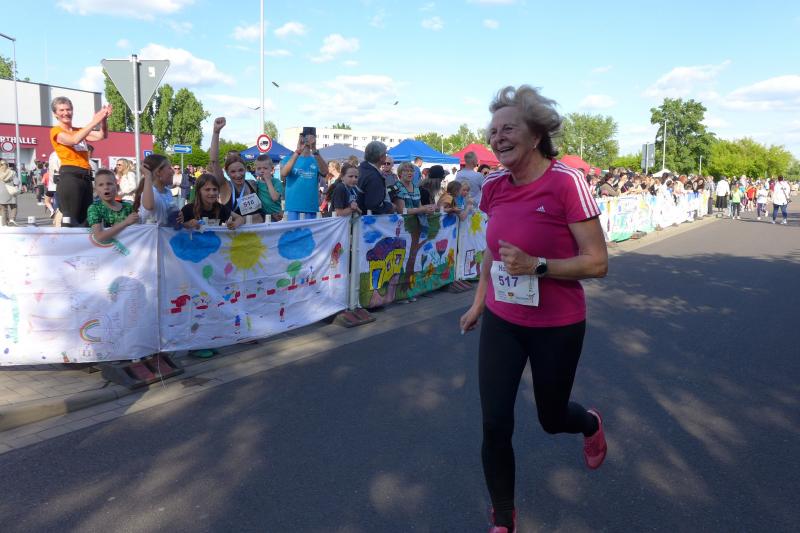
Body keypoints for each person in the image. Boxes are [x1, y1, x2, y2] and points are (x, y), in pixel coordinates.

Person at [458, 85, 608, 532]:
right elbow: (493, 249)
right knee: (494, 423)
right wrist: (479, 302)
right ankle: (504, 517)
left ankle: (589, 424)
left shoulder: (566, 182)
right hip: (503, 320)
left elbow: (597, 262)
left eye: (508, 129)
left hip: (557, 325)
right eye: (493, 131)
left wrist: (538, 266)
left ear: (537, 134)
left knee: (551, 417)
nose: (497, 138)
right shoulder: (493, 185)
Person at [49, 96, 112, 226]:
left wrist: (103, 120)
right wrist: (94, 122)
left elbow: (102, 135)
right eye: (61, 110)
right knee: (71, 219)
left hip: (86, 177)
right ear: (55, 114)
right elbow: (73, 140)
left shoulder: (79, 131)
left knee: (86, 220)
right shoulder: (56, 131)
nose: (66, 113)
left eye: (68, 109)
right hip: (70, 176)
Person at [209, 117, 266, 224]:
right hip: (234, 234)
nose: (238, 175)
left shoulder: (252, 184)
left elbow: (263, 210)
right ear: (227, 173)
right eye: (233, 172)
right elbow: (214, 162)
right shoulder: (225, 187)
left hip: (256, 233)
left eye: (241, 170)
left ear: (245, 169)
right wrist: (216, 132)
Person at [280, 126, 328, 220]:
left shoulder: (316, 159)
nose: (308, 141)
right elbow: (284, 174)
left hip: (311, 208)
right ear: (300, 138)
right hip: (293, 208)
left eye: (311, 138)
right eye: (305, 138)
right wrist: (298, 151)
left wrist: (314, 149)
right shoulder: (289, 159)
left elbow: (325, 172)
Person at [86, 169, 139, 242]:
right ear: (96, 190)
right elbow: (99, 237)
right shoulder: (95, 208)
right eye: (101, 185)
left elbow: (137, 232)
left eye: (109, 184)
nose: (106, 187)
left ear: (117, 187)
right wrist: (125, 222)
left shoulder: (128, 207)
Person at [139, 154, 183, 227]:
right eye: (169, 168)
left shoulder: (168, 191)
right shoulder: (151, 192)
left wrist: (178, 217)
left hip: (165, 234)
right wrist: (147, 175)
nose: (173, 172)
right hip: (151, 234)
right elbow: (149, 206)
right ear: (158, 172)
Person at [357, 141, 395, 214]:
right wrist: (390, 206)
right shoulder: (373, 176)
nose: (386, 156)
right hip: (366, 217)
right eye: (385, 154)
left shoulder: (361, 168)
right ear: (381, 157)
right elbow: (374, 204)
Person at [254, 154, 284, 221]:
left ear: (272, 169)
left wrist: (268, 180)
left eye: (265, 168)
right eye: (259, 168)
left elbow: (275, 198)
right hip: (263, 216)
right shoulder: (256, 183)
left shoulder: (276, 182)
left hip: (276, 215)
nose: (262, 171)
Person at [0, 160, 19, 225]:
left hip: (1, 193)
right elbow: (16, 182)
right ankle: (12, 219)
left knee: (3, 209)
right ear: (7, 165)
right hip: (11, 191)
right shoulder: (12, 172)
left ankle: (5, 223)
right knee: (14, 206)